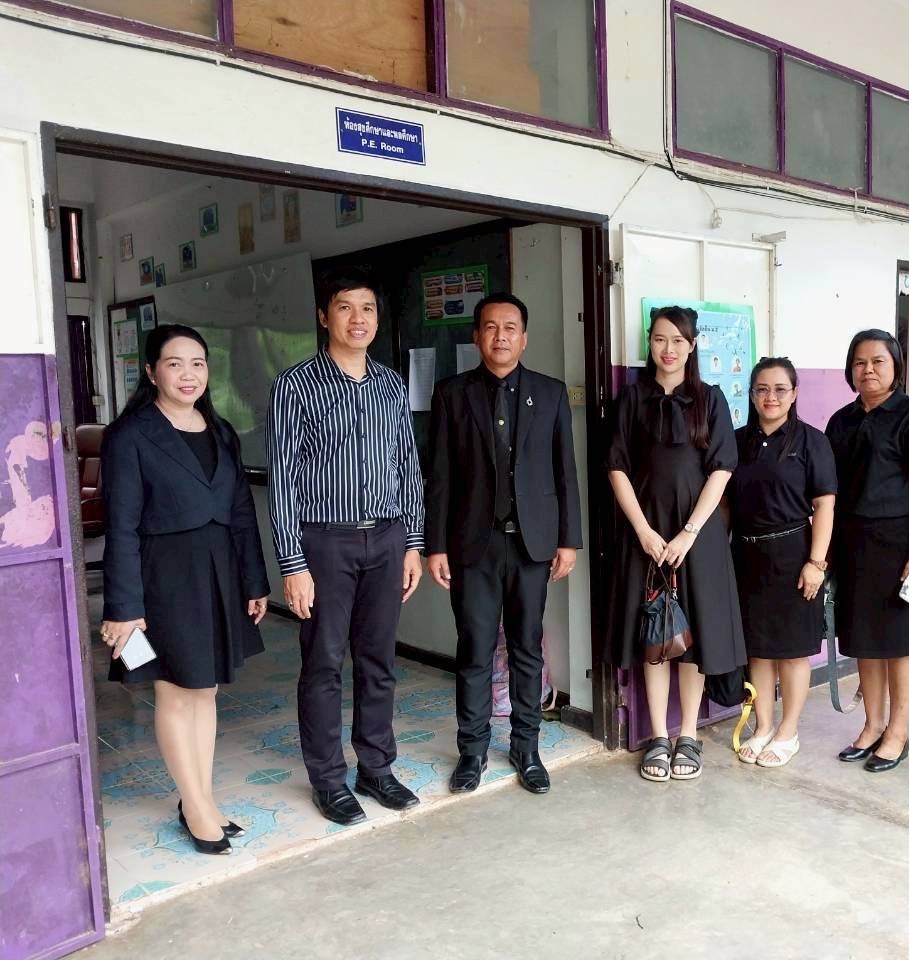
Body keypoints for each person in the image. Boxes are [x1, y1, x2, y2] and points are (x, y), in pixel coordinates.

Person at [100, 324, 269, 855]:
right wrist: (124, 608)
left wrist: (254, 581)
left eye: (198, 363)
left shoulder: (220, 430)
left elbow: (241, 513)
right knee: (175, 690)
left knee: (207, 688)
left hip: (218, 572)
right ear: (152, 372)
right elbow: (122, 527)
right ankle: (194, 806)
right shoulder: (129, 435)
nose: (188, 374)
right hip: (163, 579)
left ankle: (202, 797)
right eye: (175, 363)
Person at [267, 268, 425, 826]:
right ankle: (329, 779)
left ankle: (376, 768)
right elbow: (283, 480)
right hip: (324, 542)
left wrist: (413, 543)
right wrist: (293, 563)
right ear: (323, 316)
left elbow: (407, 466)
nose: (358, 319)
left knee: (379, 661)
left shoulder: (391, 385)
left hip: (386, 536)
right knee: (324, 663)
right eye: (345, 307)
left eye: (368, 308)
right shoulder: (295, 385)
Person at [425, 293, 582, 795]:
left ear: (524, 337)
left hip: (532, 546)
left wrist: (568, 541)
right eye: (490, 327)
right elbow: (440, 476)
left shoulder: (549, 393)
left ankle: (525, 747)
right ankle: (471, 751)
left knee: (526, 648)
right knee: (473, 648)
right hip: (472, 545)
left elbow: (565, 471)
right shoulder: (452, 394)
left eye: (510, 327)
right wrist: (435, 545)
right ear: (476, 336)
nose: (500, 336)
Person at [606, 306, 746, 783]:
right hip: (644, 536)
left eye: (678, 341)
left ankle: (688, 733)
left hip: (697, 538)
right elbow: (617, 467)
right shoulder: (631, 399)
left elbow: (721, 469)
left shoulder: (710, 399)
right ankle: (659, 737)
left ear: (692, 346)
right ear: (650, 342)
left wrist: (689, 532)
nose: (668, 349)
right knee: (655, 635)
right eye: (660, 339)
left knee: (693, 637)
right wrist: (644, 531)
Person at [826, 329, 909, 773]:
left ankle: (897, 731)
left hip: (900, 547)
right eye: (859, 362)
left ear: (896, 366)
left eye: (878, 361)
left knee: (899, 643)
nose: (868, 370)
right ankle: (872, 724)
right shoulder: (841, 421)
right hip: (853, 545)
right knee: (865, 642)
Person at [727, 358, 836, 767]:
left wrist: (816, 563)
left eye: (779, 389)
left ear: (794, 394)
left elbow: (825, 505)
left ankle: (788, 732)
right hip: (746, 555)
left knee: (792, 650)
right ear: (751, 394)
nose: (770, 397)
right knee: (758, 649)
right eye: (762, 389)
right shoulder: (737, 441)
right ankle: (763, 727)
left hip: (794, 557)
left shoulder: (811, 442)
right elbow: (724, 503)